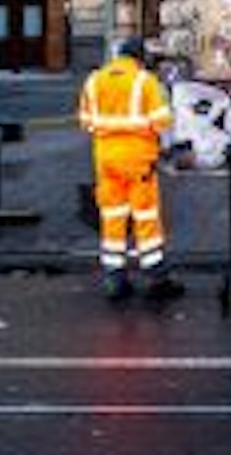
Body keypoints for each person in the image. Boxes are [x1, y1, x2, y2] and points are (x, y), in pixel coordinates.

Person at [78, 37, 181, 301]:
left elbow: (86, 121)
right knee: (145, 217)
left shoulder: (94, 80)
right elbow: (162, 121)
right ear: (139, 57)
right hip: (138, 159)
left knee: (113, 216)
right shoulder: (144, 81)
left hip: (105, 159)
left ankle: (115, 276)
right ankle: (156, 276)